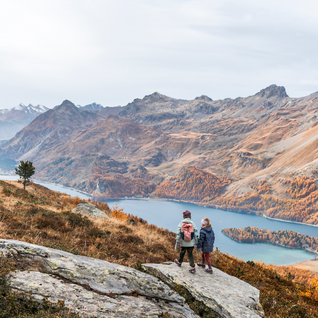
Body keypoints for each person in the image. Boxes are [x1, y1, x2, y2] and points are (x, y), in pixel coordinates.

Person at [174, 210, 199, 274]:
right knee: (190, 254)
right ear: (190, 216)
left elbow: (178, 234)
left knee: (182, 252)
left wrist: (177, 242)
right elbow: (196, 234)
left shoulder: (181, 224)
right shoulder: (193, 224)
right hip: (191, 242)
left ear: (183, 216)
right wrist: (197, 242)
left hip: (184, 242)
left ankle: (179, 262)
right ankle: (193, 267)